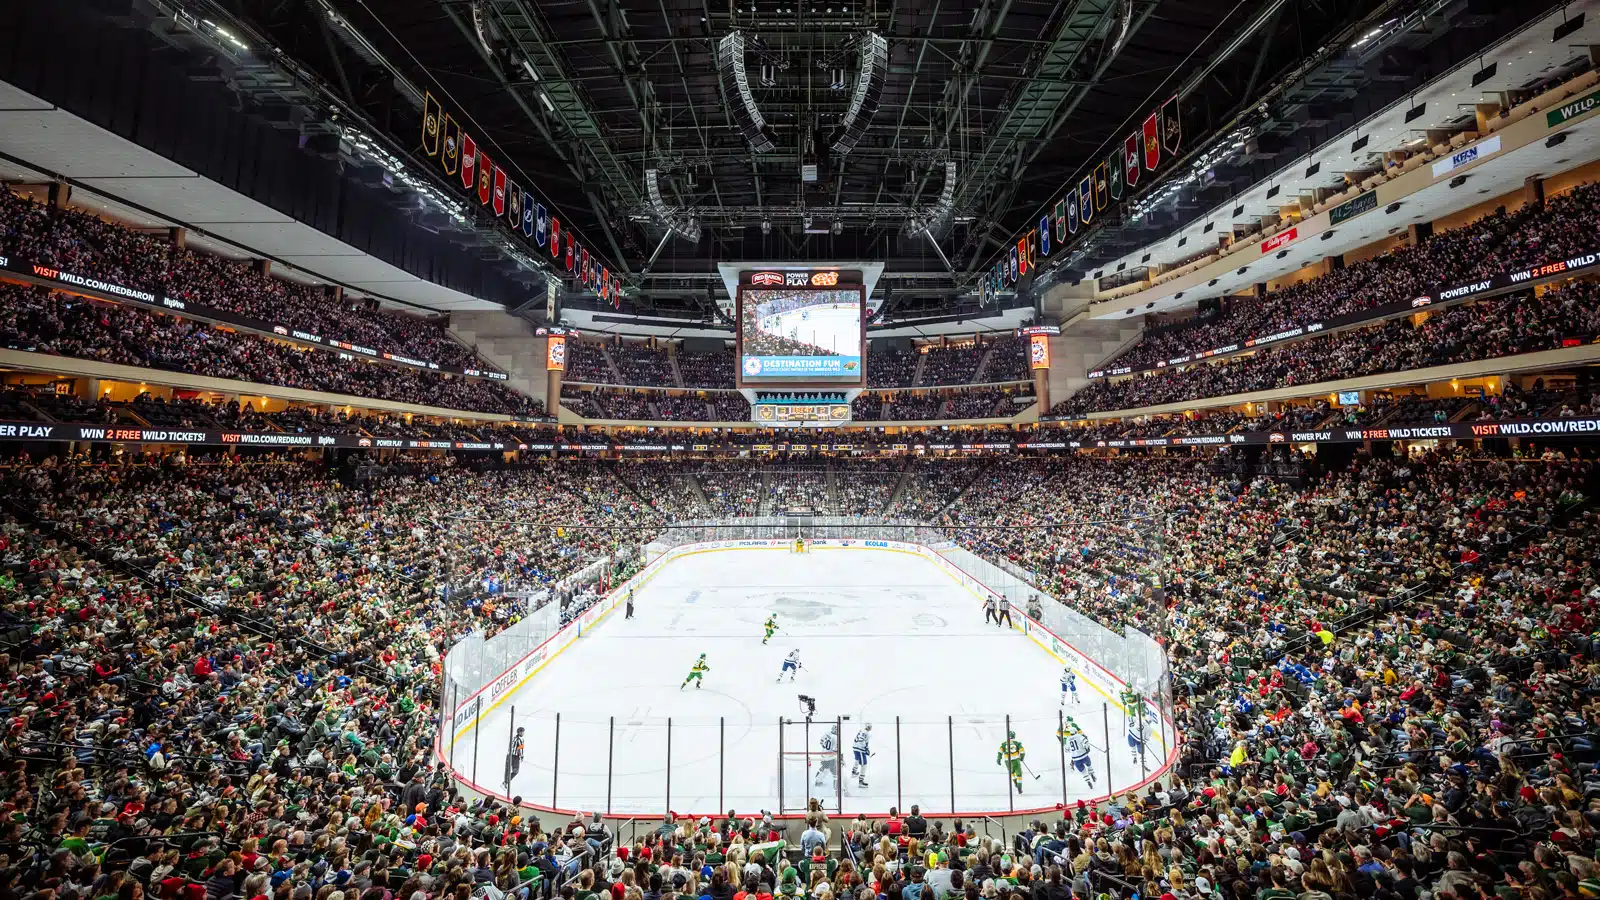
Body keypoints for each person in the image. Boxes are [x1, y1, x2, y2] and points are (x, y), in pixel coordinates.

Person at [1055, 718, 1095, 789]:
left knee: (1082, 771)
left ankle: (1088, 780)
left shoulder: (1067, 737)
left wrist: (1067, 747)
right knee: (1089, 765)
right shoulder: (1078, 733)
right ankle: (1092, 773)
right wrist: (1087, 747)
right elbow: (1085, 740)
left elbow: (1066, 749)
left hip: (1075, 758)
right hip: (1083, 755)